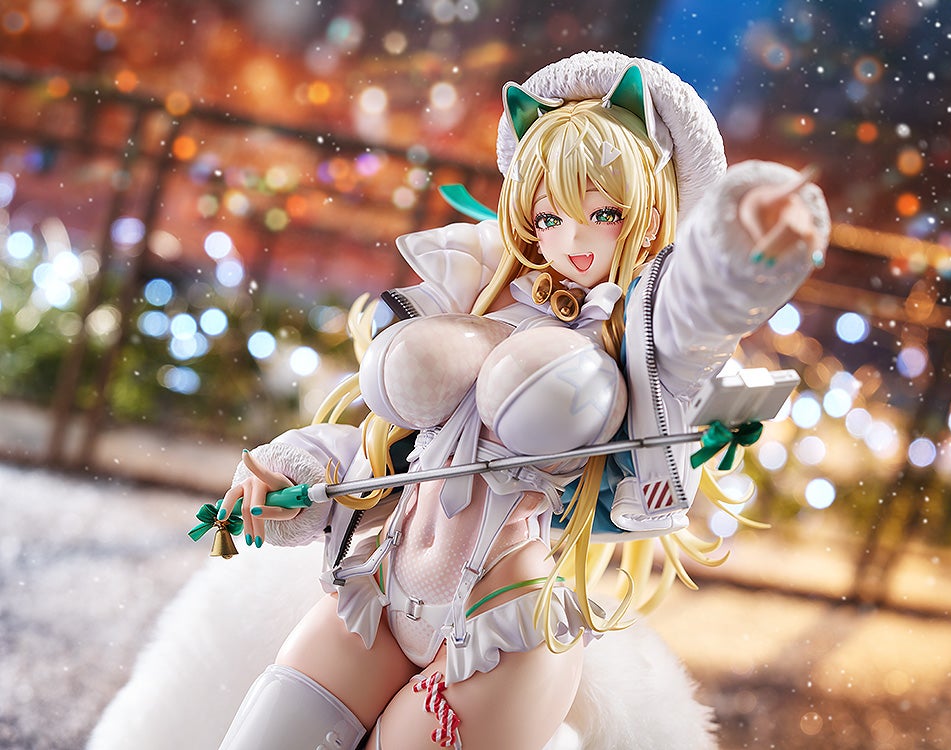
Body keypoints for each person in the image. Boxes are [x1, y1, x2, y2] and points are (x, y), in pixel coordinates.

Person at [212, 50, 830, 750]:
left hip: (503, 628)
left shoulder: (641, 327)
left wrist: (740, 246)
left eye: (604, 213)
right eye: (550, 217)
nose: (575, 240)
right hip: (381, 589)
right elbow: (387, 447)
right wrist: (286, 471)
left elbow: (698, 311)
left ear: (651, 210)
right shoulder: (479, 291)